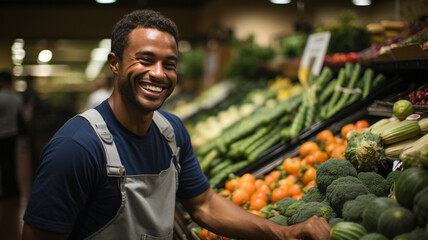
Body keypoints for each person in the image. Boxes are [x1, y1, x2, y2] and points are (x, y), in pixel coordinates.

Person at [22, 9, 331, 240]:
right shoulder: (76, 147)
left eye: (169, 64)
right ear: (115, 64)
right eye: (145, 60)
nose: (158, 74)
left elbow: (205, 205)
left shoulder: (171, 132)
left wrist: (283, 233)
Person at [0, 70, 24, 198]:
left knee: (4, 164)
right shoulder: (16, 97)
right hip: (13, 134)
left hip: (2, 134)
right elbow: (21, 116)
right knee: (11, 162)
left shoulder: (1, 97)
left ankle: (5, 191)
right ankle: (14, 190)